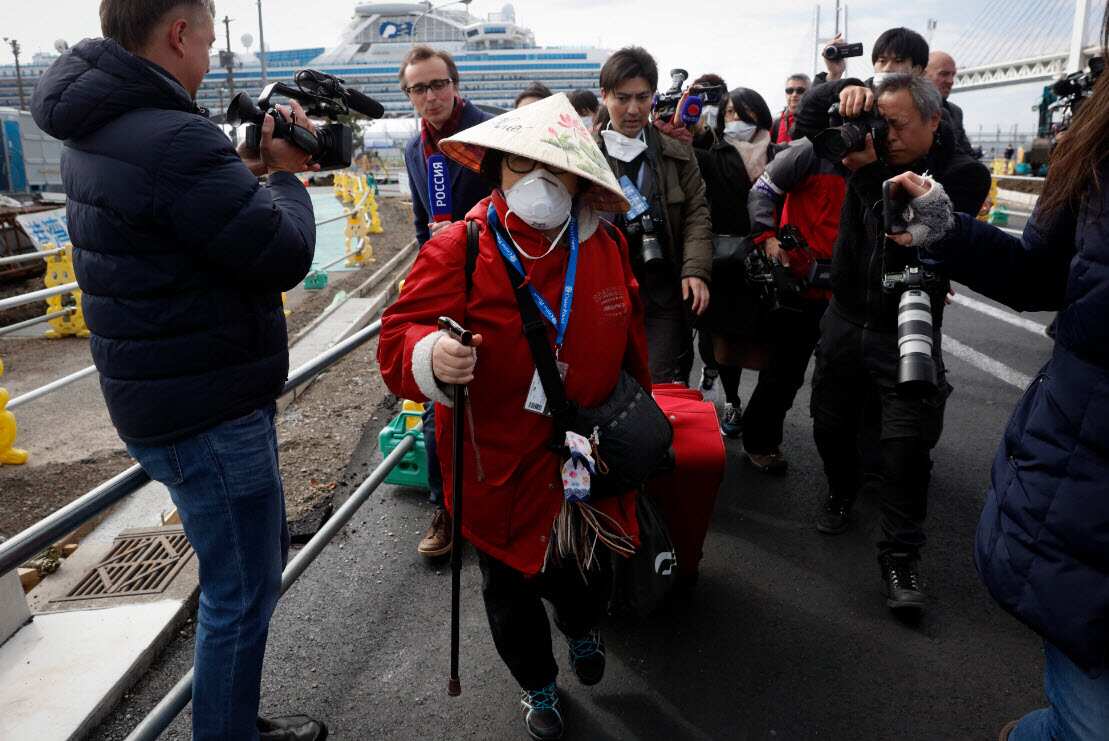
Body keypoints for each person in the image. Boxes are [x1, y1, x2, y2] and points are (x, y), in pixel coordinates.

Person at [31, 2, 325, 739]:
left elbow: (173, 219)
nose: (210, 51)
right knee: (242, 590)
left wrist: (240, 168)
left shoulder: (102, 124)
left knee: (236, 587)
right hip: (210, 409)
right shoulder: (172, 138)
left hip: (164, 394)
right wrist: (288, 177)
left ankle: (231, 724)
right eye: (211, 35)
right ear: (178, 34)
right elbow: (282, 254)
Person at [378, 93, 648, 741]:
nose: (539, 185)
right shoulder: (460, 248)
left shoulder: (605, 244)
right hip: (490, 457)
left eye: (556, 171)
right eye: (523, 168)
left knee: (581, 562)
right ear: (497, 169)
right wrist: (430, 353)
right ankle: (537, 683)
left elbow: (631, 344)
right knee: (506, 582)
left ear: (581, 180)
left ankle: (580, 626)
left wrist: (638, 418)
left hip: (581, 446)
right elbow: (396, 337)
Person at [883, 10, 1109, 736]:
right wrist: (943, 229)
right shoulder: (1096, 142)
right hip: (1088, 494)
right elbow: (1040, 272)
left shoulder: (970, 160)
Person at [809, 73, 990, 616]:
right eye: (878, 121)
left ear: (935, 120)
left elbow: (906, 223)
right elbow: (809, 121)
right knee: (829, 422)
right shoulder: (862, 143)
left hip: (906, 324)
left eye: (897, 124)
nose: (882, 134)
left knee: (907, 448)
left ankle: (901, 557)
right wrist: (844, 89)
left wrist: (867, 174)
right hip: (845, 315)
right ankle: (841, 490)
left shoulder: (963, 174)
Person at [400, 45, 493, 559]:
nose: (430, 96)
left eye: (437, 84)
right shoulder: (416, 149)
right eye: (418, 88)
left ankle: (498, 503)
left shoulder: (489, 130)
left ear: (455, 84)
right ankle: (446, 508)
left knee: (500, 395)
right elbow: (420, 223)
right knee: (440, 394)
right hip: (447, 289)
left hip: (499, 284)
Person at [741, 85, 847, 471]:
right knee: (783, 375)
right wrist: (767, 238)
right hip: (799, 286)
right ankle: (760, 441)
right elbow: (762, 192)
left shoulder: (877, 159)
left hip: (849, 292)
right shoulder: (805, 153)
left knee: (846, 381)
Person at [596, 46, 713, 384]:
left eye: (642, 97)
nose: (633, 109)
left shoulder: (676, 151)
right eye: (622, 98)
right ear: (604, 95)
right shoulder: (585, 154)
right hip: (603, 290)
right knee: (604, 382)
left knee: (658, 383)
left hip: (661, 288)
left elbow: (696, 213)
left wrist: (696, 270)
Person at [690, 80, 775, 438]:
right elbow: (687, 149)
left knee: (769, 340)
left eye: (742, 112)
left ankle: (761, 411)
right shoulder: (714, 152)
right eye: (728, 113)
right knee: (724, 340)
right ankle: (732, 402)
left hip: (768, 260)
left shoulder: (779, 153)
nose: (735, 119)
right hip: (726, 260)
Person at [925, 51, 974, 155]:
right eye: (944, 74)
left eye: (953, 75)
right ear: (923, 74)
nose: (951, 81)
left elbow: (966, 152)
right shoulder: (908, 108)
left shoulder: (955, 112)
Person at [771, 73, 810, 144]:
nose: (794, 94)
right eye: (789, 90)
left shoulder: (816, 122)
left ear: (810, 93)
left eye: (800, 90)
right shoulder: (775, 123)